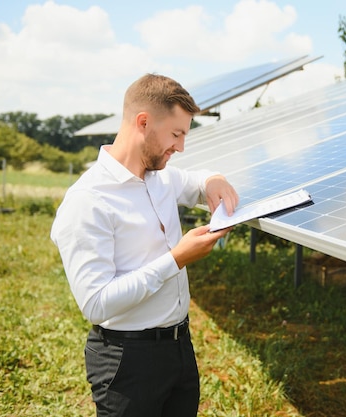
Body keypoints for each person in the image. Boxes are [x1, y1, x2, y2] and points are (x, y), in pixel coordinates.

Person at [50, 73, 239, 417]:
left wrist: (214, 180)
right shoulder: (88, 200)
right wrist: (177, 259)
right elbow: (96, 303)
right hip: (127, 362)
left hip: (179, 349)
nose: (180, 146)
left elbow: (196, 179)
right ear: (143, 122)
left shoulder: (161, 176)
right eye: (176, 134)